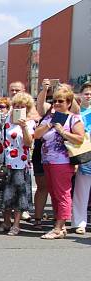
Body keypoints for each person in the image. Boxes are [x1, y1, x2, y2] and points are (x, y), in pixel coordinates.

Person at [33, 85, 85, 239]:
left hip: (63, 162)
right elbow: (36, 135)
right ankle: (59, 225)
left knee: (62, 194)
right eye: (54, 101)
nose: (56, 104)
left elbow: (80, 138)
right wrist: (49, 124)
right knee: (54, 194)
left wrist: (63, 132)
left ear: (69, 102)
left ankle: (59, 227)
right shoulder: (50, 117)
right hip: (48, 161)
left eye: (60, 101)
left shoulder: (74, 118)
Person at [1, 92, 37, 236]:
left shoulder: (30, 122)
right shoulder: (5, 119)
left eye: (22, 107)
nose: (19, 108)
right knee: (5, 193)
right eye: (16, 106)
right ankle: (6, 221)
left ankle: (16, 224)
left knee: (18, 194)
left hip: (20, 163)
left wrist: (24, 128)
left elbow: (29, 143)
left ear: (27, 109)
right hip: (4, 161)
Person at [72, 81, 91, 235]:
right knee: (81, 190)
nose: (89, 96)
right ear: (81, 95)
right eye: (86, 93)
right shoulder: (77, 114)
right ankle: (79, 222)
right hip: (84, 154)